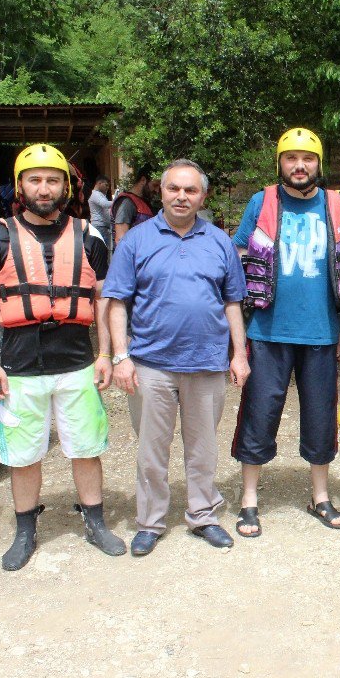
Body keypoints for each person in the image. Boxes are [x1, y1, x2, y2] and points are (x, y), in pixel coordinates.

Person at [0, 143, 124, 571]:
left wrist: (107, 354)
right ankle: (25, 530)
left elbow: (105, 301)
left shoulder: (89, 236)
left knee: (86, 447)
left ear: (65, 186)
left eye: (52, 179)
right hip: (19, 368)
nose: (44, 188)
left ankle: (94, 522)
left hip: (76, 362)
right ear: (20, 185)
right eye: (35, 179)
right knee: (23, 454)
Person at [104, 159, 249, 555]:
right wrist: (121, 357)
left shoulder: (219, 240)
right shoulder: (136, 239)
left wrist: (240, 355)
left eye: (190, 190)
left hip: (207, 363)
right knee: (152, 449)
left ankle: (202, 515)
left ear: (203, 196)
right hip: (151, 364)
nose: (181, 196)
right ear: (161, 192)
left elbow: (232, 302)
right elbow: (116, 302)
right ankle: (150, 522)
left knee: (203, 447)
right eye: (173, 189)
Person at [230, 128, 340, 535]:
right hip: (268, 330)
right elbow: (238, 252)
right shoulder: (261, 201)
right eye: (291, 158)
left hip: (321, 333)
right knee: (259, 412)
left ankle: (320, 496)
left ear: (318, 164)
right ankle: (249, 498)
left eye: (307, 158)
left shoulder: (334, 204)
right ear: (280, 162)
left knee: (321, 417)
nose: (299, 166)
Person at [111, 166, 158, 245]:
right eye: (155, 185)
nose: (157, 190)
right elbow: (120, 239)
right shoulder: (126, 203)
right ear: (143, 180)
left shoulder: (144, 202)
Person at [87, 175, 113, 247]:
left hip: (103, 226)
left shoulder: (100, 195)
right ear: (99, 183)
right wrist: (117, 201)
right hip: (100, 226)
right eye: (106, 185)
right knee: (104, 249)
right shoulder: (95, 194)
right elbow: (104, 204)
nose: (107, 187)